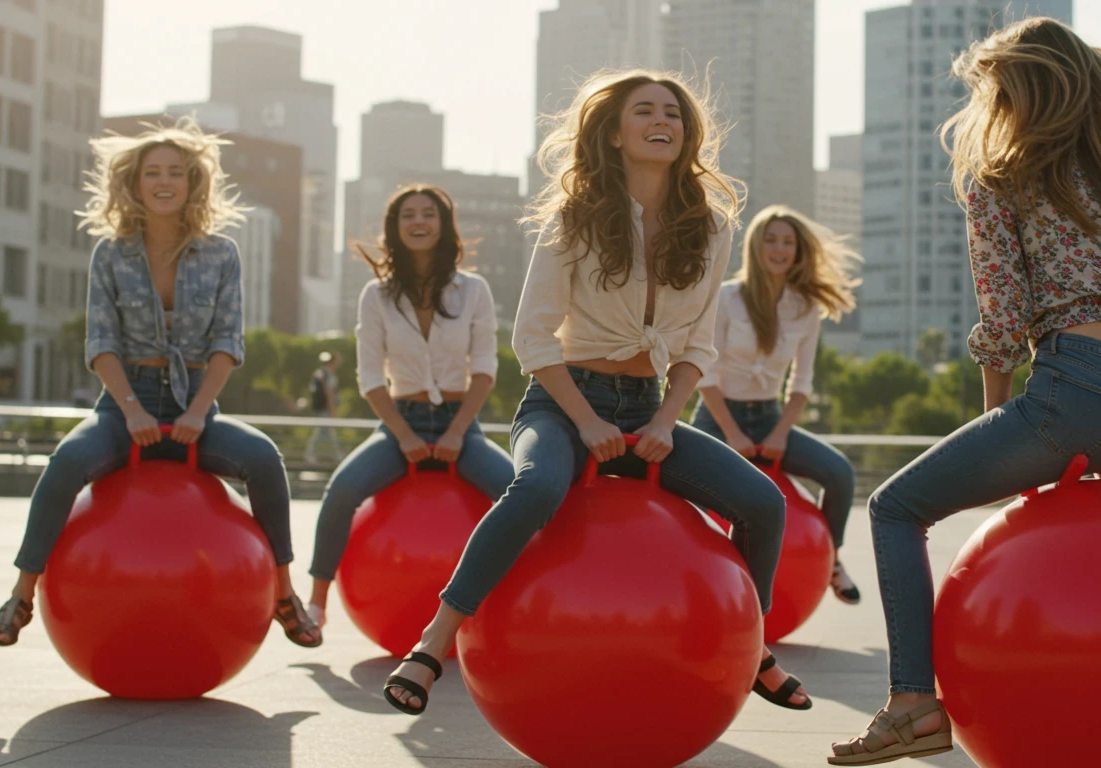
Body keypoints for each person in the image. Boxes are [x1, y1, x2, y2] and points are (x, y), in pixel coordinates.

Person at [829, 17, 1101, 765]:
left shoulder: (1000, 174)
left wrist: (997, 419)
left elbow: (1004, 320)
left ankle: (913, 703)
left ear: (1010, 92)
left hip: (1072, 396)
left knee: (893, 508)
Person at [381, 68, 810, 716]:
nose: (662, 120)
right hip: (561, 404)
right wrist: (584, 423)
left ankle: (754, 646)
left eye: (673, 111)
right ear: (612, 135)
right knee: (536, 487)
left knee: (762, 502)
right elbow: (533, 339)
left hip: (647, 411)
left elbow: (697, 345)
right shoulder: (575, 216)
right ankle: (433, 642)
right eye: (644, 111)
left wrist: (667, 420)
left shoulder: (713, 226)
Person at [0, 118, 320, 649]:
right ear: (135, 183)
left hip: (196, 408)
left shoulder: (222, 253)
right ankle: (21, 595)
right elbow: (102, 343)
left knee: (265, 458)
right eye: (153, 172)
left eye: (176, 173)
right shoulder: (111, 254)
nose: (164, 182)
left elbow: (227, 343)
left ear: (192, 184)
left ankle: (283, 594)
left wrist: (195, 412)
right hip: (123, 406)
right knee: (67, 463)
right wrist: (133, 410)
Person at [304, 185, 514, 627]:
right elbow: (370, 377)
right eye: (408, 216)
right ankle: (317, 603)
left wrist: (458, 431)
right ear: (395, 229)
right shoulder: (375, 296)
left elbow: (485, 369)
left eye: (428, 214)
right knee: (342, 489)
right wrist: (403, 436)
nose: (418, 222)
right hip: (401, 424)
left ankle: (520, 602)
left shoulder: (473, 290)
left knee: (521, 496)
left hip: (462, 425)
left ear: (443, 224)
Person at [693, 204, 863, 605]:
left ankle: (833, 562)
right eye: (771, 239)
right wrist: (731, 433)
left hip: (770, 418)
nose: (779, 248)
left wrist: (781, 432)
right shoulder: (726, 297)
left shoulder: (804, 308)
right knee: (682, 490)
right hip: (719, 419)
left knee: (839, 472)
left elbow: (801, 383)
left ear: (798, 250)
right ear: (755, 245)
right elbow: (706, 373)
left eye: (788, 241)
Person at [303, 351, 344, 463]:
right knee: (323, 431)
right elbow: (329, 393)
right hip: (325, 409)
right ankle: (335, 456)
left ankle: (335, 454)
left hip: (319, 408)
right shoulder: (329, 375)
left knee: (324, 431)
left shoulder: (319, 373)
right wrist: (333, 411)